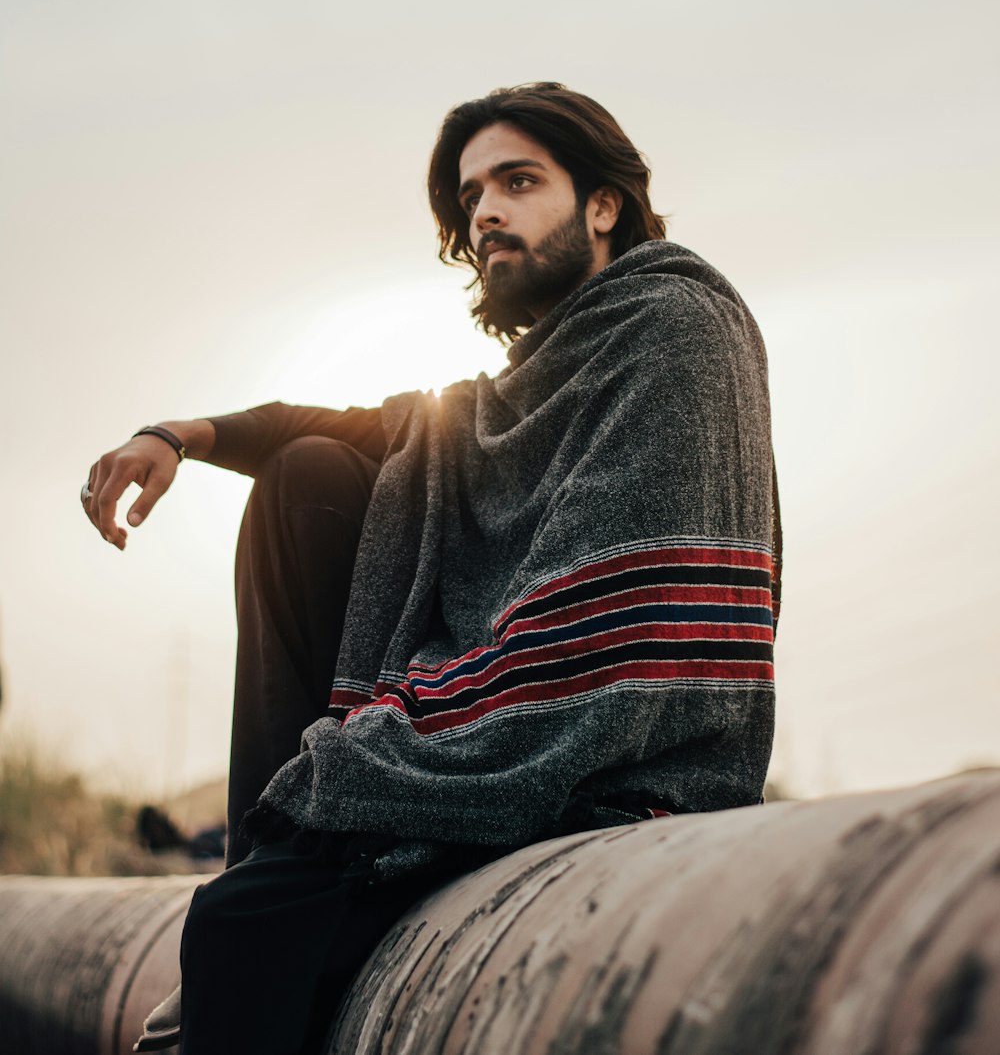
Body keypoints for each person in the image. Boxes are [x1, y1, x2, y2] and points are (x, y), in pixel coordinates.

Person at [81, 83, 782, 1054]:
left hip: (615, 761)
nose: (484, 210)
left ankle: (268, 884)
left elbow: (612, 637)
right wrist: (178, 434)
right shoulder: (510, 390)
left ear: (602, 204)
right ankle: (265, 856)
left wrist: (390, 741)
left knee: (242, 925)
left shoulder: (671, 329)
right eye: (470, 195)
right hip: (492, 727)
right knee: (308, 474)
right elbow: (352, 426)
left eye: (518, 180)